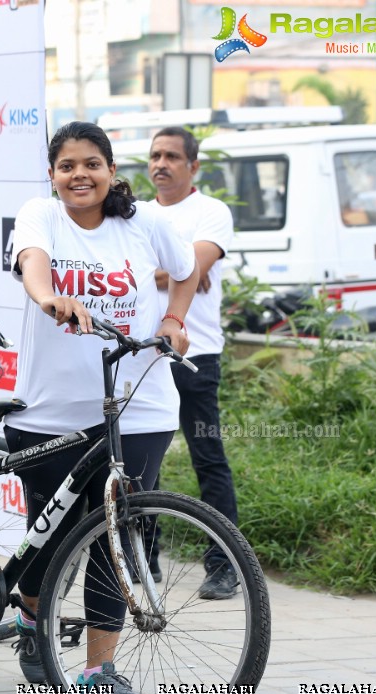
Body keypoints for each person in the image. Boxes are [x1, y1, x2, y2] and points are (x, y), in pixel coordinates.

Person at [6, 121, 196, 694]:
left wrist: (173, 320)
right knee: (53, 534)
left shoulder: (146, 223)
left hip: (138, 404)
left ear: (112, 170)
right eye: (67, 165)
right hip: (51, 409)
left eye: (91, 164)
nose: (79, 175)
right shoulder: (41, 215)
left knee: (115, 531)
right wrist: (49, 298)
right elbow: (33, 264)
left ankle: (97, 671)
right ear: (53, 174)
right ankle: (32, 612)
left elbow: (187, 270)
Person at [147, 126, 240, 600]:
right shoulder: (138, 215)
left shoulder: (210, 212)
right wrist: (179, 273)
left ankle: (224, 566)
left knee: (208, 459)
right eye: (155, 156)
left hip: (196, 356)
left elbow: (196, 268)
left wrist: (173, 272)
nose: (161, 164)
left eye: (171, 157)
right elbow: (181, 274)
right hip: (146, 355)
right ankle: (145, 555)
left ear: (193, 166)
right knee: (145, 460)